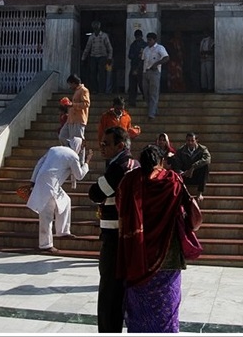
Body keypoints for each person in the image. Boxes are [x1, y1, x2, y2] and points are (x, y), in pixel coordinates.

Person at [116, 144, 187, 333]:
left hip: (137, 254)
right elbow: (182, 209)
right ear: (161, 161)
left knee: (139, 308)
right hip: (167, 254)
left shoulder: (129, 180)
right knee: (167, 307)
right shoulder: (172, 180)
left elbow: (120, 206)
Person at [88, 127, 140, 334]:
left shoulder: (119, 167)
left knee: (109, 292)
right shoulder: (135, 164)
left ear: (120, 146)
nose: (102, 148)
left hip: (114, 237)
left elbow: (95, 193)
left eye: (106, 144)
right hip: (131, 236)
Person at [26, 137, 93, 253]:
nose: (81, 151)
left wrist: (32, 181)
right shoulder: (73, 156)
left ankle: (63, 231)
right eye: (82, 148)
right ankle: (46, 245)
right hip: (49, 185)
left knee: (66, 200)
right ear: (78, 146)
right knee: (46, 215)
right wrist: (87, 162)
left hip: (45, 181)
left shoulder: (54, 149)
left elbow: (39, 164)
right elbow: (79, 176)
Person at [171, 132, 211, 202]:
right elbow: (176, 165)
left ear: (196, 140)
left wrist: (193, 167)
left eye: (192, 141)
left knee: (205, 167)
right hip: (185, 175)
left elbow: (207, 159)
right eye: (188, 140)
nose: (190, 143)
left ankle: (199, 193)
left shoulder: (202, 149)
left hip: (197, 175)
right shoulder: (181, 151)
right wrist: (183, 173)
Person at [142, 32, 170, 120]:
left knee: (153, 93)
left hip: (154, 72)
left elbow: (166, 57)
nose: (148, 41)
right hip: (145, 72)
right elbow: (142, 60)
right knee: (146, 92)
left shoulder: (160, 48)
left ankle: (151, 113)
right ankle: (154, 109)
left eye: (150, 40)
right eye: (147, 40)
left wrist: (157, 63)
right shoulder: (146, 49)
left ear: (154, 40)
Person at [81, 20, 113, 93]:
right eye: (94, 26)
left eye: (96, 26)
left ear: (99, 27)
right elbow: (87, 48)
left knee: (102, 74)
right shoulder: (91, 37)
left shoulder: (104, 36)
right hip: (93, 56)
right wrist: (83, 58)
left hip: (103, 56)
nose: (95, 28)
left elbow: (109, 47)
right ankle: (95, 89)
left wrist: (109, 58)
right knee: (93, 73)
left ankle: (101, 90)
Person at [58, 74, 90, 146]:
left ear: (74, 83)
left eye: (70, 84)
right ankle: (70, 150)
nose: (70, 87)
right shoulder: (77, 91)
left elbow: (86, 104)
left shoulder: (83, 90)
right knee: (62, 136)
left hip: (78, 119)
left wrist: (73, 105)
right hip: (71, 119)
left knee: (78, 141)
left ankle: (78, 153)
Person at [127, 29, 147, 107]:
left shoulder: (145, 45)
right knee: (132, 84)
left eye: (139, 36)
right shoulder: (133, 45)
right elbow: (130, 56)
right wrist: (135, 56)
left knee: (142, 84)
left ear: (141, 36)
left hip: (142, 66)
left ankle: (145, 96)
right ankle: (132, 101)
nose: (137, 38)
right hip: (134, 65)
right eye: (136, 37)